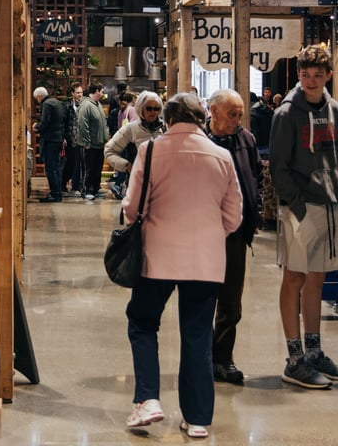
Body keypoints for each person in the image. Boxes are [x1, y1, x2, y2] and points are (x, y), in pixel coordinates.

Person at [123, 92, 242, 438]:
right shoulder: (221, 156)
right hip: (205, 261)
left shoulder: (152, 150)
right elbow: (234, 216)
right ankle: (198, 418)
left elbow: (132, 207)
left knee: (143, 323)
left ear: (169, 120)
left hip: (156, 257)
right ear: (202, 119)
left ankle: (148, 400)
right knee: (197, 335)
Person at [270, 45, 338, 389]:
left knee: (318, 278)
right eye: (305, 75)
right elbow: (278, 165)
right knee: (295, 277)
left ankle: (314, 352)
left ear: (327, 76)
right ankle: (294, 359)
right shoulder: (287, 113)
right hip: (301, 207)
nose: (311, 80)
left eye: (318, 75)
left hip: (331, 203)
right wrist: (296, 206)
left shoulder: (334, 109)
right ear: (299, 74)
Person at [204, 89, 262, 385]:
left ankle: (223, 358)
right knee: (201, 297)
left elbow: (256, 177)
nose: (237, 120)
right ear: (213, 111)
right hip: (203, 233)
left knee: (231, 301)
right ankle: (201, 357)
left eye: (240, 114)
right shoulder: (200, 142)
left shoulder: (246, 140)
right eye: (232, 114)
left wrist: (255, 210)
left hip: (236, 233)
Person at [104, 91, 164, 200]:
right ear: (141, 108)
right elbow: (109, 151)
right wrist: (127, 166)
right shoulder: (130, 129)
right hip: (137, 186)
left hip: (161, 187)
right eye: (149, 108)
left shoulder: (164, 129)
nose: (153, 112)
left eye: (157, 109)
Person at [32, 86, 66, 203]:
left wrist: (37, 127)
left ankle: (54, 194)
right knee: (56, 167)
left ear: (39, 96)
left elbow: (45, 121)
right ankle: (58, 193)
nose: (37, 100)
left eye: (36, 98)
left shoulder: (46, 104)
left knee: (50, 168)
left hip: (50, 139)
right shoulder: (57, 102)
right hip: (58, 138)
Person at [76, 81, 108, 201]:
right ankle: (87, 189)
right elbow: (83, 124)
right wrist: (86, 141)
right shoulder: (86, 105)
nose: (103, 94)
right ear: (96, 91)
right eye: (102, 91)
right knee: (89, 168)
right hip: (90, 144)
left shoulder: (97, 104)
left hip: (99, 143)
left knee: (97, 168)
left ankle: (95, 188)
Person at [61, 82, 84, 195]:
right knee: (70, 162)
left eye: (81, 92)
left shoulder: (84, 105)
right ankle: (63, 182)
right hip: (70, 138)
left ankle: (78, 185)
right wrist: (64, 137)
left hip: (80, 138)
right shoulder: (67, 106)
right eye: (78, 92)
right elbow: (63, 123)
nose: (80, 95)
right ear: (72, 93)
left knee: (78, 162)